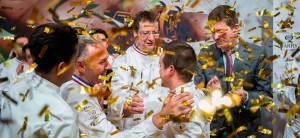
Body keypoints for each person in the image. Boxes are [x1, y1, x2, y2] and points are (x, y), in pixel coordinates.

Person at [60, 35, 195, 137]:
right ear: (81, 66)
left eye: (108, 59)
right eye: (102, 62)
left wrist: (123, 109)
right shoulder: (76, 96)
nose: (109, 66)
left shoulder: (87, 88)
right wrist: (159, 118)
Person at [194, 5, 273, 137]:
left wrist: (245, 97)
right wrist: (209, 94)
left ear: (236, 28)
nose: (216, 36)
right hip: (214, 131)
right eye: (213, 32)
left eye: (221, 31)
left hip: (246, 130)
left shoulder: (257, 54)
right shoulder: (205, 55)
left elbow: (266, 96)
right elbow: (197, 94)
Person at [0, 23, 79, 138]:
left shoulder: (17, 84)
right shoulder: (62, 117)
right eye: (74, 60)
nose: (76, 65)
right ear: (61, 67)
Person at [108, 10, 164, 130]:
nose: (151, 38)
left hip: (162, 127)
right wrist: (126, 106)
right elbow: (116, 97)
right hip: (135, 128)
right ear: (135, 33)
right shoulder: (123, 62)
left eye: (155, 33)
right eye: (145, 33)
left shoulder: (165, 57)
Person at [157, 40, 210, 137]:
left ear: (171, 70)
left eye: (160, 65)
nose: (159, 71)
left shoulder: (183, 101)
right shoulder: (196, 92)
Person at [0, 35, 28, 108]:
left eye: (27, 46)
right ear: (15, 50)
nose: (25, 49)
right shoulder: (4, 67)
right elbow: (1, 92)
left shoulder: (38, 65)